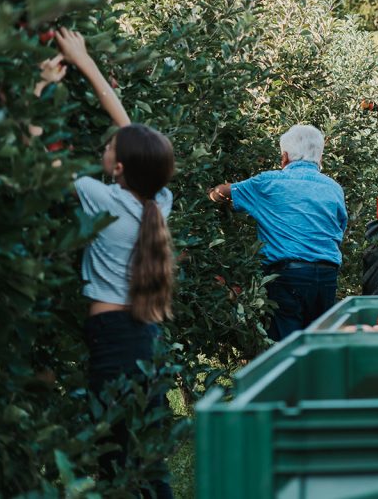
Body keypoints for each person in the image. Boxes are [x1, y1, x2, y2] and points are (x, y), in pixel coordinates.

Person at [53, 29, 176, 497]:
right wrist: (85, 62)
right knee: (144, 454)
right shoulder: (155, 204)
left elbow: (42, 151)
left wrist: (44, 85)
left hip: (112, 342)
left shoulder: (99, 198)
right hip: (145, 336)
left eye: (111, 149)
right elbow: (137, 138)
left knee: (117, 459)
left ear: (120, 168)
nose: (107, 147)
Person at [208, 125, 347, 341]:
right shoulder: (333, 188)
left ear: (284, 157)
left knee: (285, 347)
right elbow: (339, 228)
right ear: (320, 157)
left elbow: (223, 192)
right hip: (326, 276)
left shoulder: (267, 183)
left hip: (287, 276)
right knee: (319, 344)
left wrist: (211, 197)